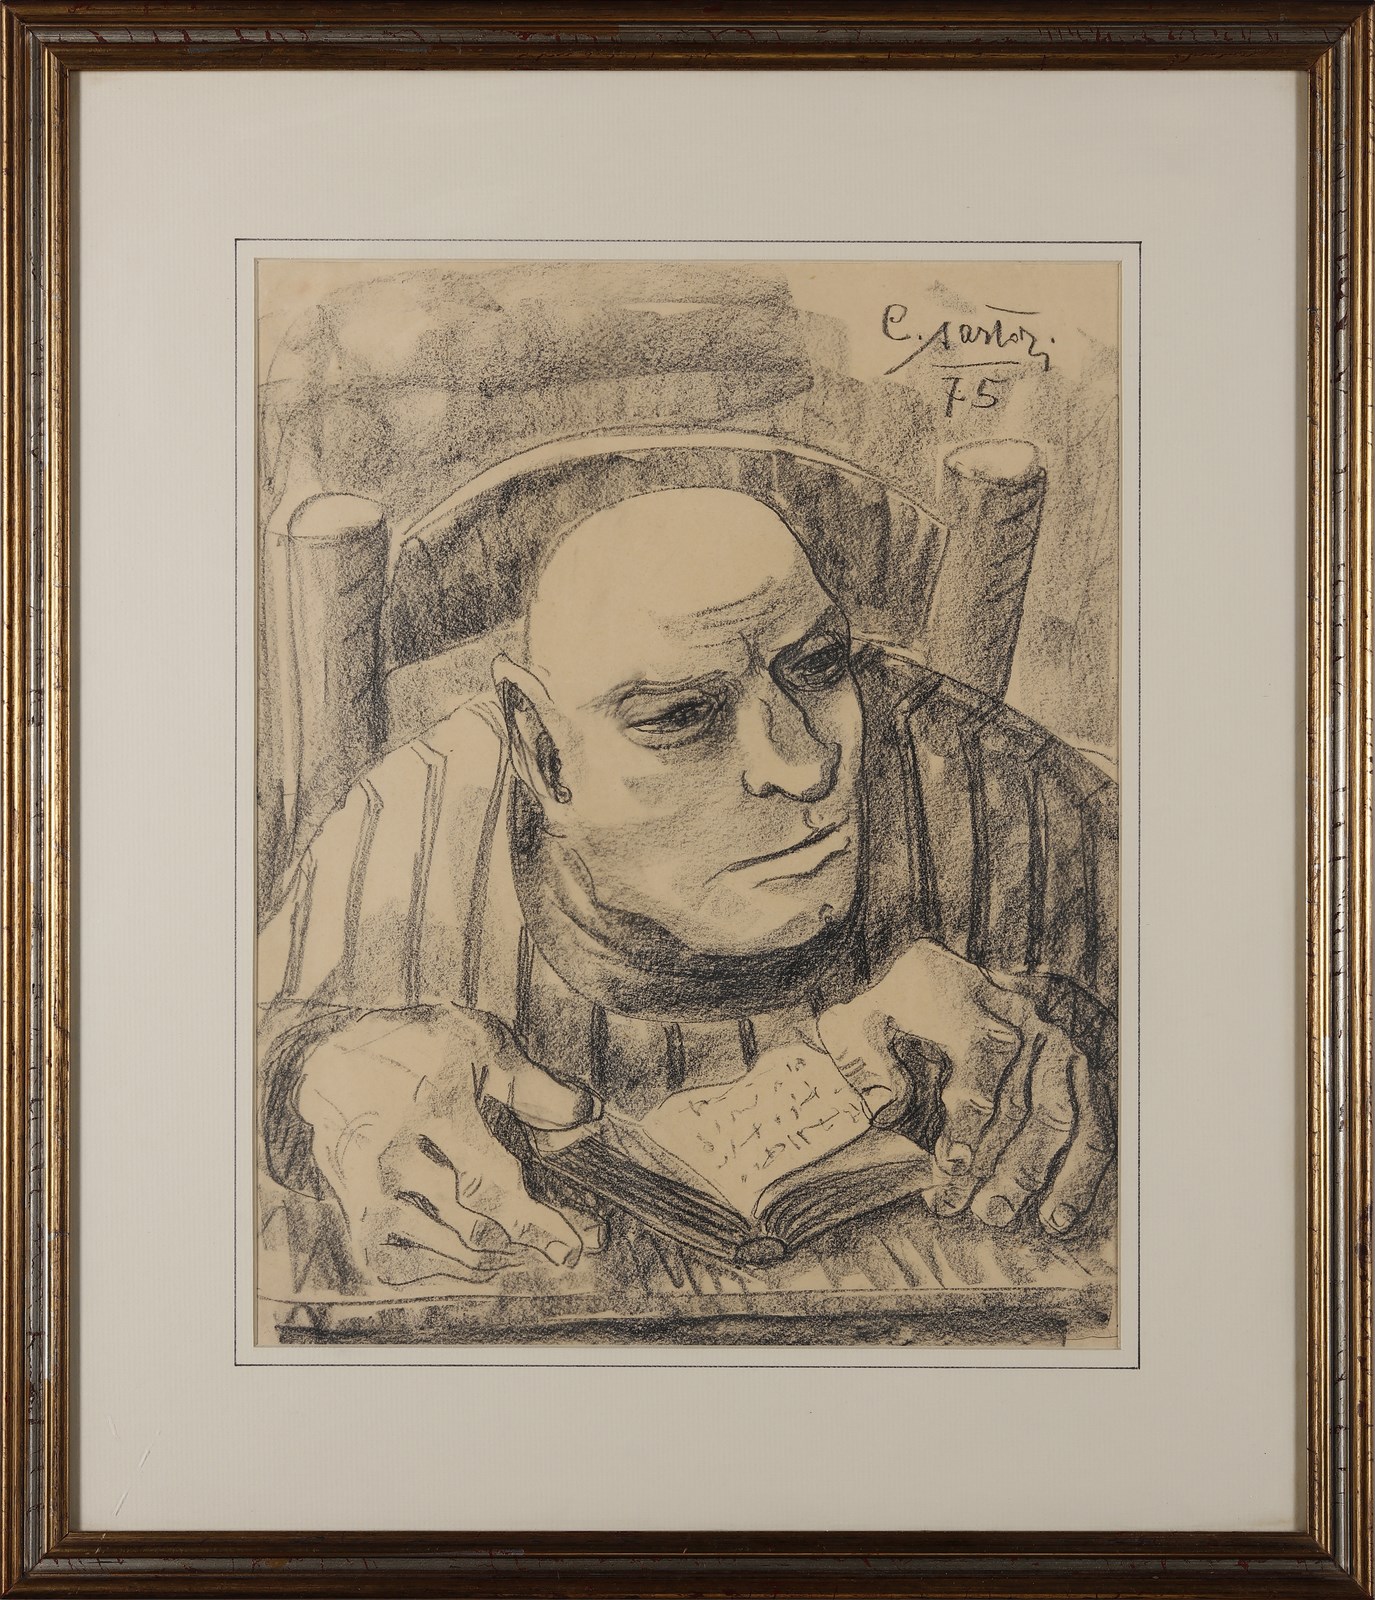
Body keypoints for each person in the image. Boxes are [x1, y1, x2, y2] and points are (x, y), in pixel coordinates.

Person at [258, 487, 1116, 1292]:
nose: (806, 767)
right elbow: (221, 1052)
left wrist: (1054, 1018)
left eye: (819, 665)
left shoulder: (1011, 791)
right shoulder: (402, 827)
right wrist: (309, 1071)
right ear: (543, 752)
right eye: (677, 716)